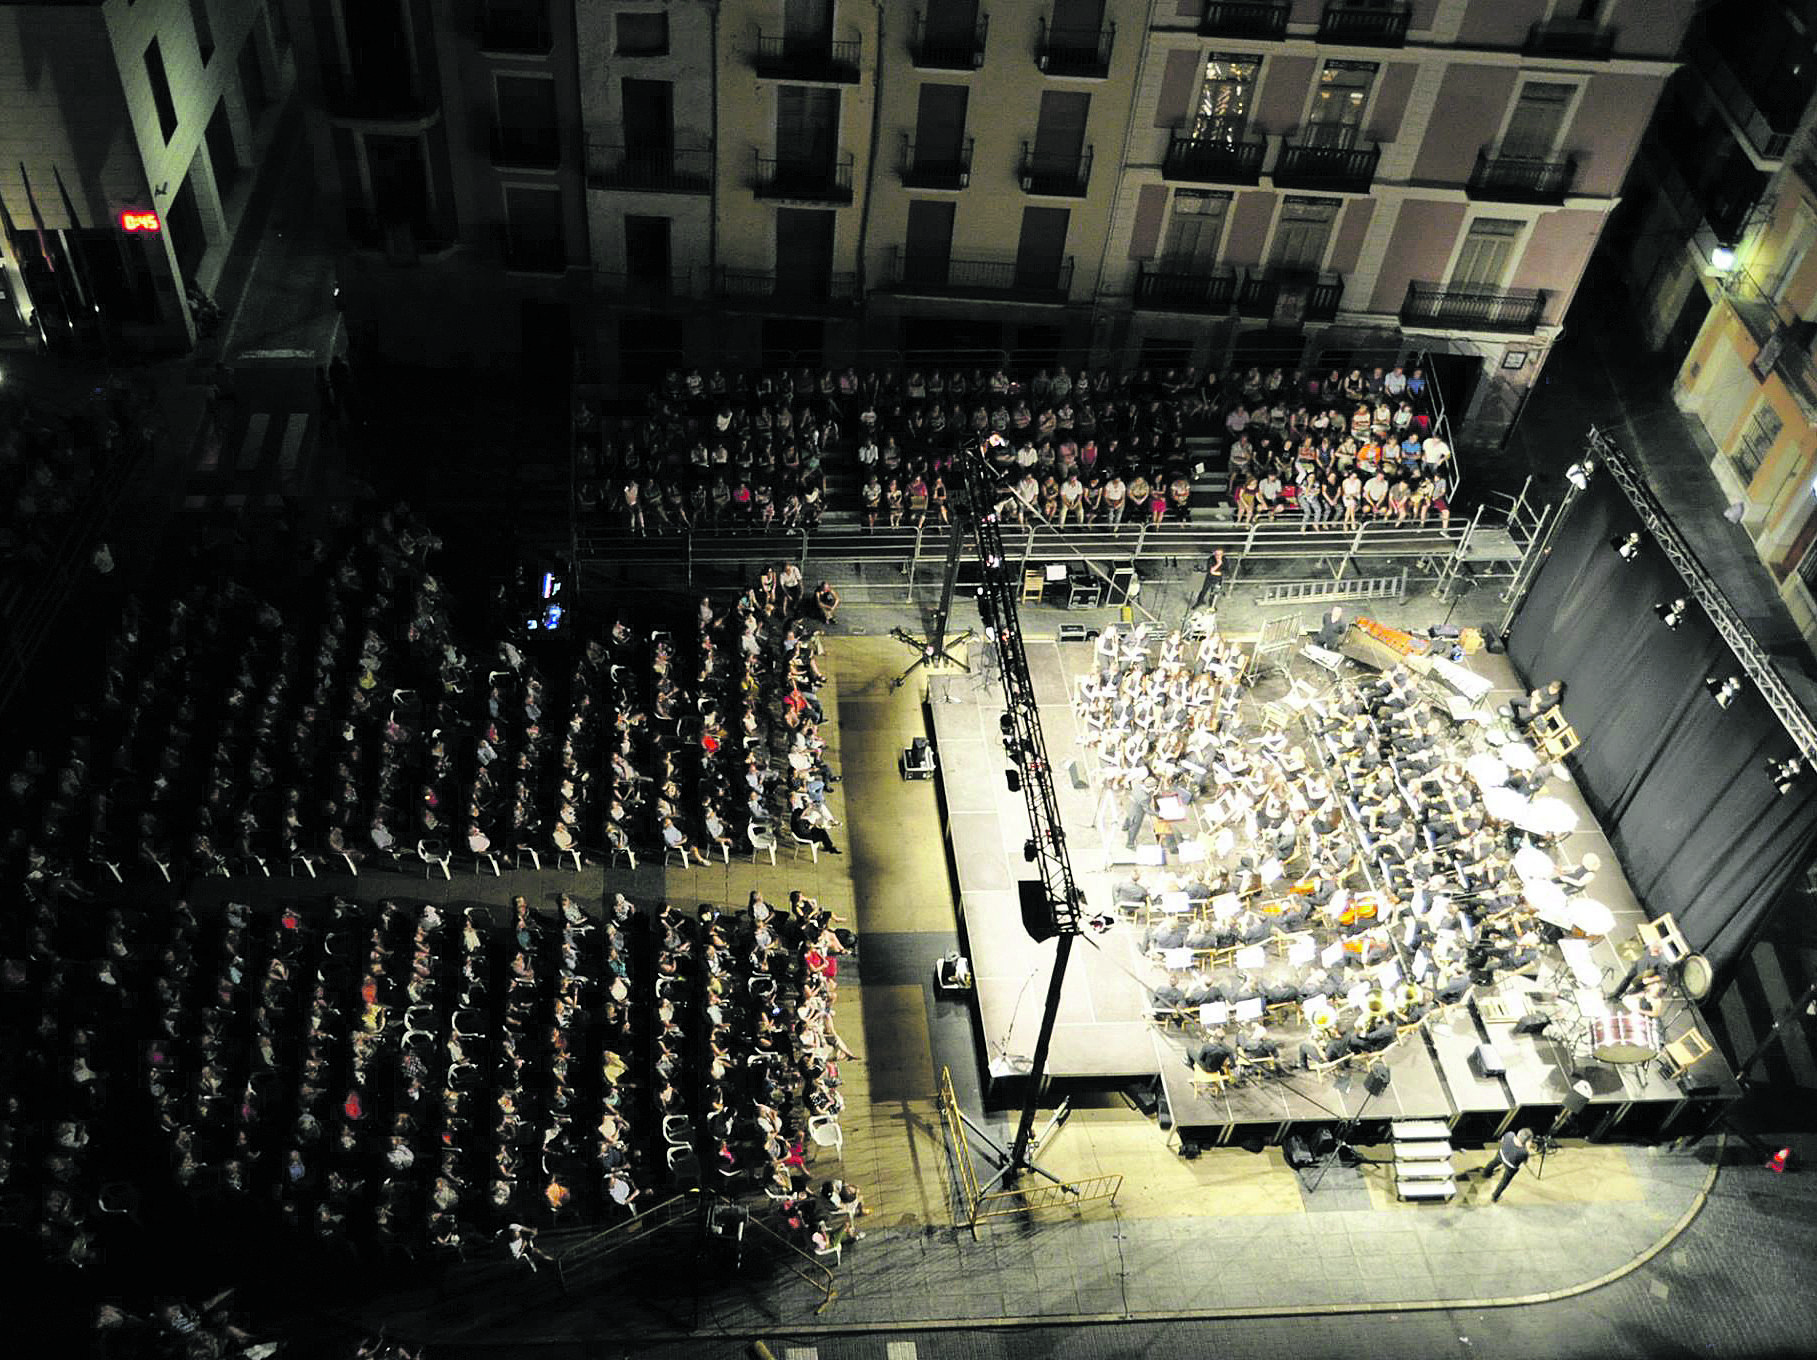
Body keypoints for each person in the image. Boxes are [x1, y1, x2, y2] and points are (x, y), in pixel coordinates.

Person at [1483, 1127, 1534, 1202]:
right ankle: (1495, 1196)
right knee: (1504, 1181)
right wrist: (1527, 1148)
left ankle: (1486, 1173)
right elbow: (1524, 1161)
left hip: (1501, 1154)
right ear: (1526, 1141)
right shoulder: (1523, 1152)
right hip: (1510, 1166)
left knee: (1493, 1163)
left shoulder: (1510, 1134)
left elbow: (1502, 1140)